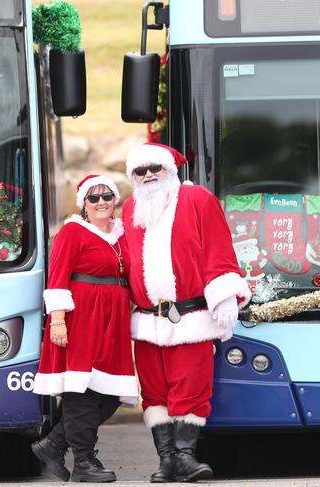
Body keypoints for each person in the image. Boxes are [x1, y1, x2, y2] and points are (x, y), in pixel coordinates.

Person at [122, 142, 251, 483]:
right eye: (141, 170)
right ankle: (166, 460)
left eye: (156, 168)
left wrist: (224, 296)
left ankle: (185, 456)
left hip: (191, 317)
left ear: (171, 170)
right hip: (148, 321)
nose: (149, 175)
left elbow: (218, 247)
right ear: (133, 176)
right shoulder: (130, 208)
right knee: (153, 393)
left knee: (191, 389)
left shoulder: (198, 200)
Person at [32, 174, 139, 483]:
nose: (101, 202)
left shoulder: (122, 236)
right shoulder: (72, 233)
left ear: (115, 200)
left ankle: (53, 445)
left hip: (113, 322)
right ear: (84, 204)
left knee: (110, 393)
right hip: (81, 319)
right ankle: (84, 461)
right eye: (93, 198)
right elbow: (57, 279)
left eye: (107, 196)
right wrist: (59, 320)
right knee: (82, 390)